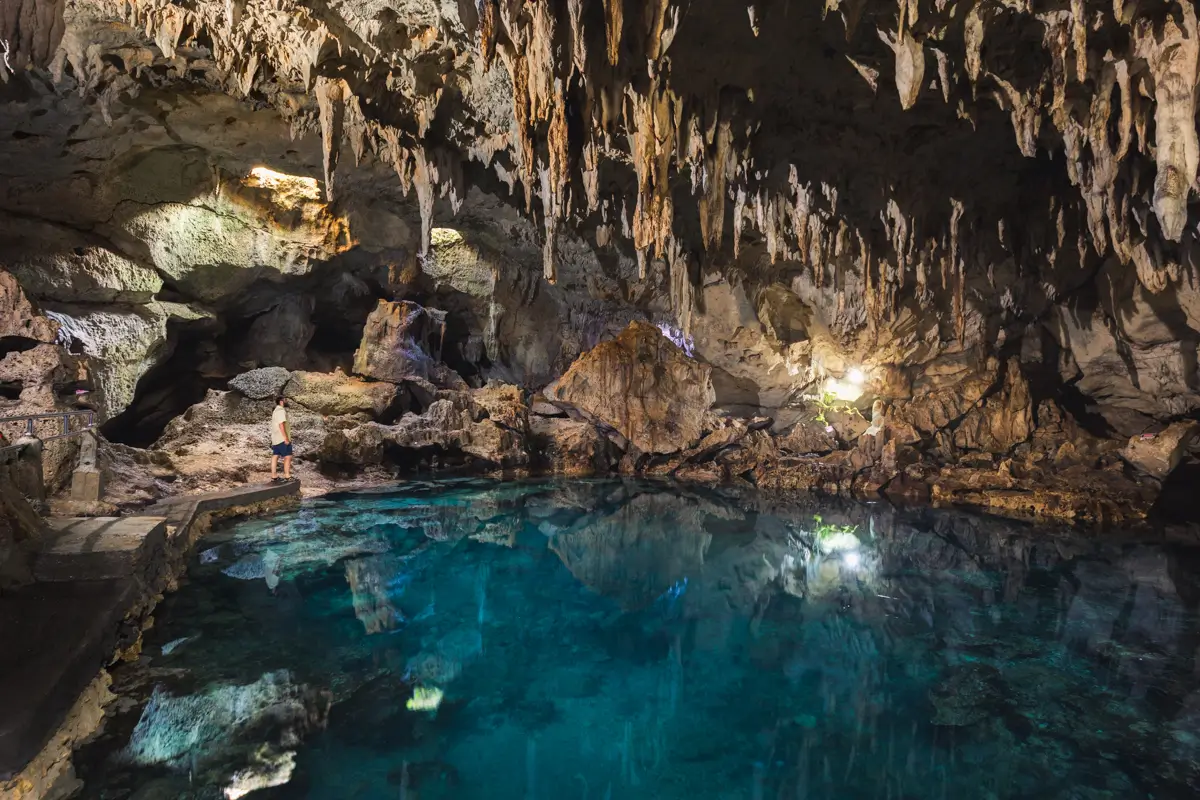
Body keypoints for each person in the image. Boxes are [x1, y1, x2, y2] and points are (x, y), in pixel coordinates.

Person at [270, 396, 293, 482]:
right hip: (281, 438)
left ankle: (274, 476)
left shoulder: (275, 410)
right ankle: (287, 476)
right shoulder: (280, 411)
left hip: (276, 438)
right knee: (288, 456)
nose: (287, 401)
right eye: (285, 400)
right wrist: (285, 438)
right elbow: (281, 424)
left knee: (275, 455)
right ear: (281, 401)